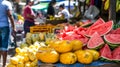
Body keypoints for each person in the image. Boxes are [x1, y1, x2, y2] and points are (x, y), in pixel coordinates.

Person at [0, 0, 15, 67]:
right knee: (4, 46)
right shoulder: (6, 3)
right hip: (4, 27)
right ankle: (3, 65)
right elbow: (10, 15)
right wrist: (13, 27)